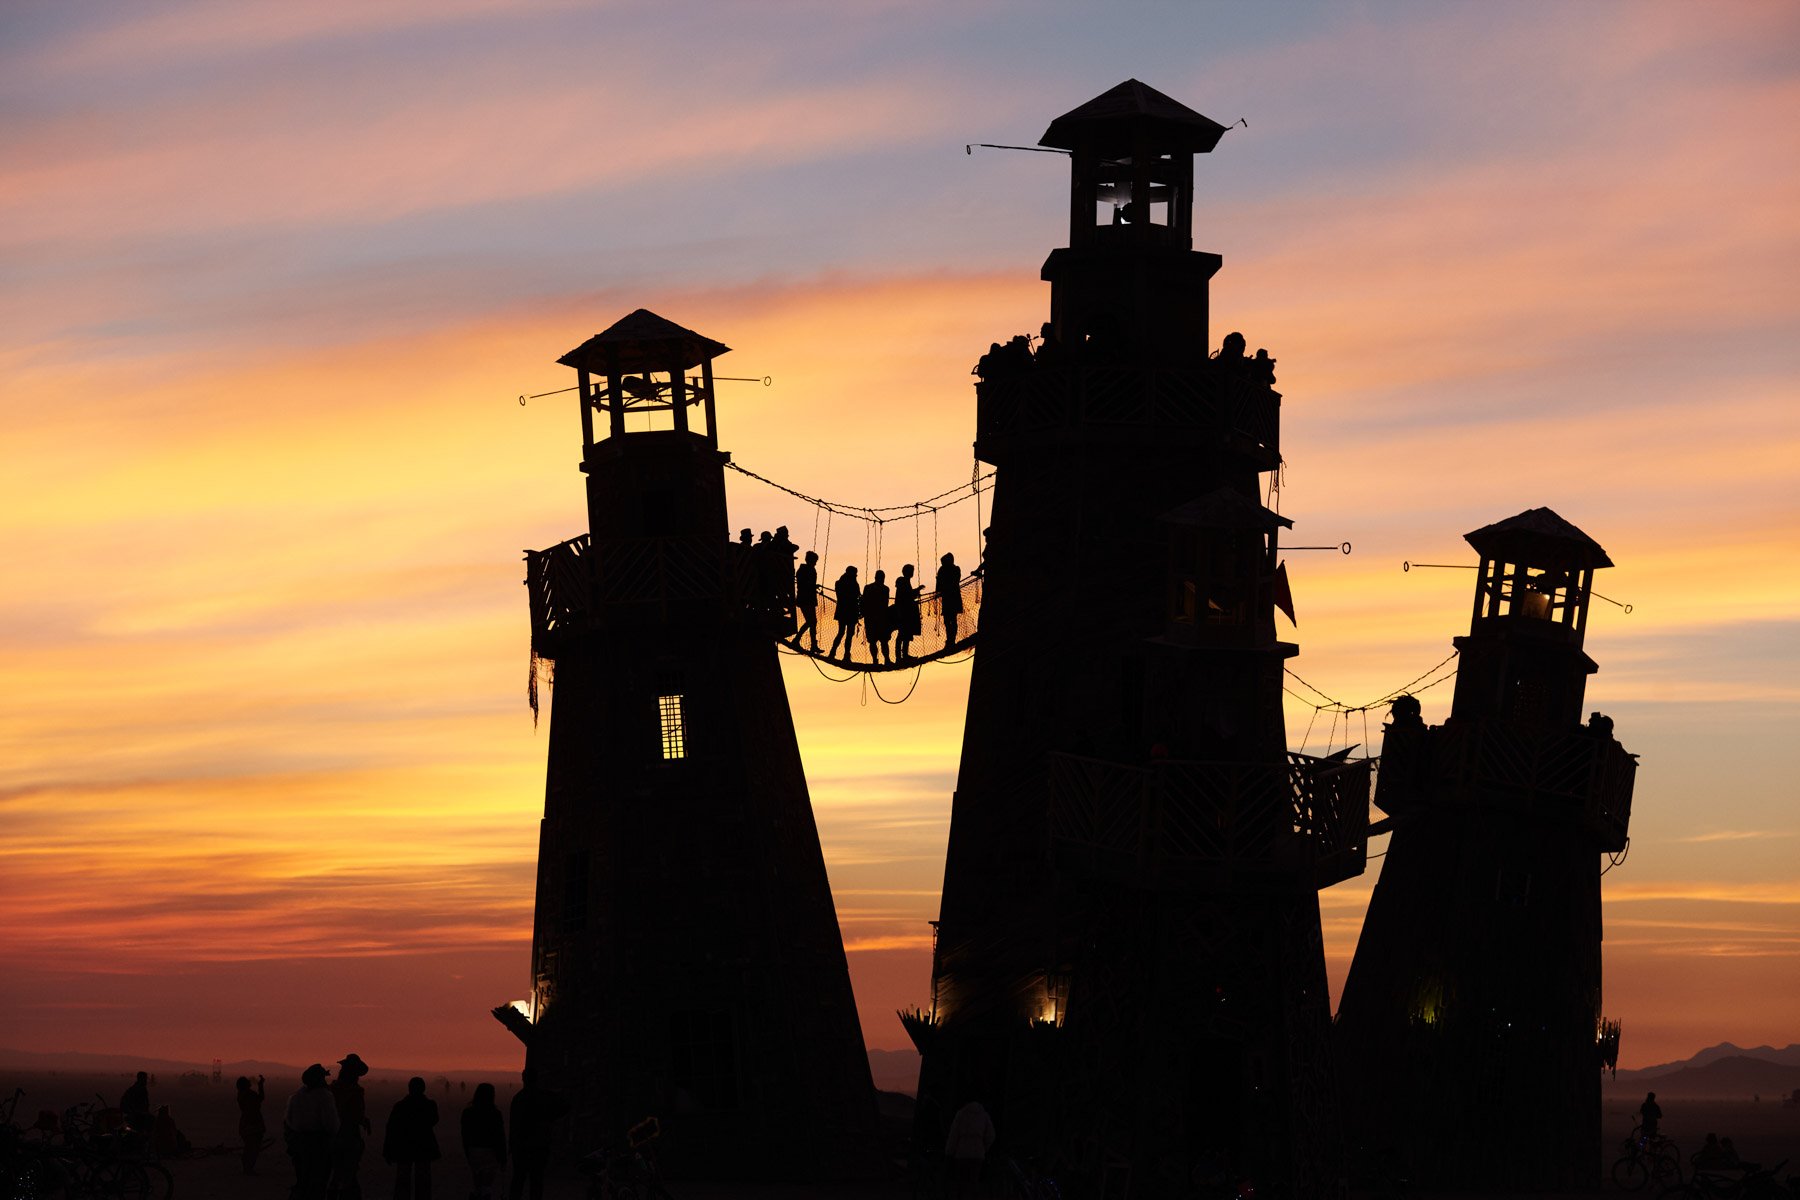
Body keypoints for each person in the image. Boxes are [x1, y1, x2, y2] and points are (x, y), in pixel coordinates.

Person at [508, 1067, 568, 1200]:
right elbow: (564, 1107)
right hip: (539, 1145)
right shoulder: (545, 1097)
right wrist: (550, 1119)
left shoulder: (518, 1098)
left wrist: (511, 1145)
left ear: (523, 1079)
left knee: (518, 1179)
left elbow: (514, 1125)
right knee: (536, 1180)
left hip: (521, 1146)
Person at [286, 1064, 341, 1200]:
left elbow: (289, 1120)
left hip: (299, 1143)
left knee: (302, 1180)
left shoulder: (296, 1096)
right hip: (319, 1144)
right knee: (318, 1182)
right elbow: (331, 1124)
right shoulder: (324, 1096)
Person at [383, 1077, 439, 1200]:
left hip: (404, 1146)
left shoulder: (400, 1106)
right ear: (423, 1089)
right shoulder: (430, 1105)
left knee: (402, 1180)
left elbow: (391, 1128)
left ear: (409, 1089)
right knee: (423, 1181)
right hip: (424, 1146)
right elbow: (434, 1120)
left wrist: (387, 1150)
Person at [330, 1053, 371, 1200]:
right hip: (349, 1135)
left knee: (337, 1173)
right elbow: (355, 1114)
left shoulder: (332, 1089)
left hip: (332, 1135)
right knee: (349, 1173)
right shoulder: (356, 1091)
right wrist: (363, 1120)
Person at [460, 1083, 506, 1200]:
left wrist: (467, 1152)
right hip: (490, 1152)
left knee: (477, 1182)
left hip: (474, 1151)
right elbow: (500, 1136)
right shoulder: (495, 1114)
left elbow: (465, 1134)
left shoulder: (468, 1113)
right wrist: (503, 1157)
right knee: (487, 1184)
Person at [944, 1098, 995, 1199]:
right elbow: (991, 1135)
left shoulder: (961, 1114)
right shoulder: (984, 1115)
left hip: (961, 1153)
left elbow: (953, 1136)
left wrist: (949, 1152)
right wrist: (984, 1147)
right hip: (978, 1154)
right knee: (973, 1184)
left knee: (961, 1185)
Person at [827, 565, 861, 661]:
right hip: (851, 611)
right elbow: (857, 596)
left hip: (842, 611)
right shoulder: (854, 584)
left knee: (841, 632)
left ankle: (832, 652)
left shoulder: (839, 583)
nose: (856, 575)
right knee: (849, 634)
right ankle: (846, 655)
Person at [237, 1074, 267, 1175]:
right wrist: (261, 1085)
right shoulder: (249, 1095)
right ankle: (248, 1168)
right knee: (253, 1148)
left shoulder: (241, 1095)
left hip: (246, 1123)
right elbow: (261, 1098)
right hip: (253, 1123)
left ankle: (247, 1168)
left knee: (249, 1147)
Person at [862, 569, 892, 665]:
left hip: (871, 618)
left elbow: (864, 602)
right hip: (881, 618)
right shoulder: (885, 589)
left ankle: (877, 660)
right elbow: (885, 604)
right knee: (882, 641)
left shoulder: (868, 588)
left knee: (874, 641)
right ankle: (885, 660)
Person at [792, 551, 820, 652]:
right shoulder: (806, 570)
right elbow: (803, 584)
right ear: (810, 560)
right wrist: (813, 586)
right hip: (805, 599)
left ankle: (812, 645)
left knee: (812, 622)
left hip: (807, 599)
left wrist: (813, 586)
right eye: (815, 561)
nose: (815, 563)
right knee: (811, 622)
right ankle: (798, 640)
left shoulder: (806, 569)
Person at [892, 564, 921, 660]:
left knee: (906, 634)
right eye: (911, 571)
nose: (912, 572)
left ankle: (903, 656)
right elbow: (907, 596)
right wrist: (917, 590)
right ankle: (900, 657)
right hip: (904, 613)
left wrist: (916, 591)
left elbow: (907, 595)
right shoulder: (904, 582)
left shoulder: (904, 582)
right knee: (903, 634)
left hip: (905, 612)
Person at [935, 554, 963, 648]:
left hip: (951, 597)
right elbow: (939, 583)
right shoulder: (947, 569)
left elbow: (943, 583)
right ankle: (950, 640)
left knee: (951, 619)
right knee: (948, 620)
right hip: (950, 597)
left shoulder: (951, 569)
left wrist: (939, 589)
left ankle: (951, 640)